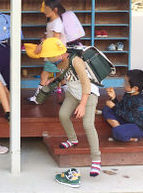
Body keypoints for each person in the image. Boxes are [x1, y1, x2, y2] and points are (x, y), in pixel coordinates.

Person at [38, 37, 101, 177]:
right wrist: (53, 80)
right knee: (63, 114)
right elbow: (65, 74)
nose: (48, 59)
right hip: (73, 92)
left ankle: (96, 159)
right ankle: (73, 139)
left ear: (58, 53)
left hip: (88, 94)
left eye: (49, 56)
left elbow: (86, 83)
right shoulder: (60, 61)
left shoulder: (76, 61)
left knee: (88, 124)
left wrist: (83, 104)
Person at [103, 69, 143, 142]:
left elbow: (129, 117)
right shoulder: (128, 94)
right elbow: (121, 107)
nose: (123, 84)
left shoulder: (141, 101)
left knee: (116, 131)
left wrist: (113, 107)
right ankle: (121, 129)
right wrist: (114, 98)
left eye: (126, 83)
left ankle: (128, 136)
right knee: (107, 109)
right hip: (126, 121)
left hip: (138, 127)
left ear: (135, 88)